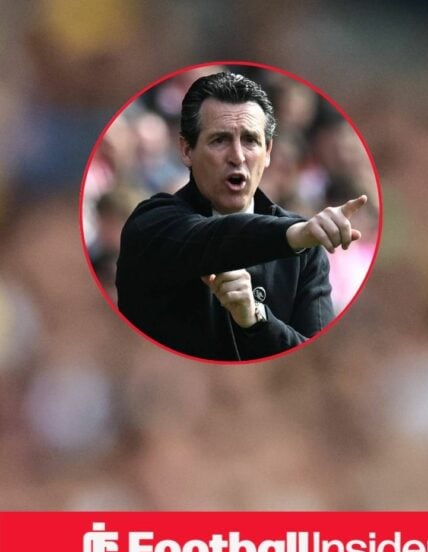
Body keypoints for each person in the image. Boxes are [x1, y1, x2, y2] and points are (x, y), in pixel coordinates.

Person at [115, 71, 366, 361]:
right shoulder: (152, 223)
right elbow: (215, 237)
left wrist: (256, 319)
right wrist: (292, 234)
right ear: (186, 149)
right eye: (220, 140)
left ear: (268, 151)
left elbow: (313, 359)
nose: (237, 156)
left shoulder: (307, 253)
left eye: (250, 140)